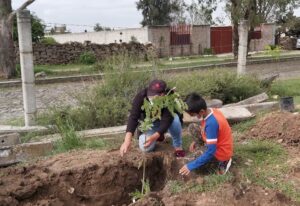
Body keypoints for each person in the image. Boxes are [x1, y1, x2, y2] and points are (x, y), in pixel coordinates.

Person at [120, 79, 185, 157]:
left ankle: (178, 146)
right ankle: (160, 135)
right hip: (151, 123)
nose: (151, 97)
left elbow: (167, 119)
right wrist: (127, 141)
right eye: (150, 95)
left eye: (155, 96)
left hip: (167, 122)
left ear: (162, 95)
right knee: (145, 148)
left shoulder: (169, 97)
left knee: (175, 120)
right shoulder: (141, 96)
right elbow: (133, 117)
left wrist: (155, 136)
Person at [179, 93, 233, 175]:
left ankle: (224, 162)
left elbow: (211, 151)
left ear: (201, 111)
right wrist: (196, 141)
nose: (192, 116)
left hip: (220, 152)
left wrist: (190, 166)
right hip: (216, 141)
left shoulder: (212, 123)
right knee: (192, 127)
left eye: (193, 114)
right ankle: (202, 146)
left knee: (188, 162)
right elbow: (205, 129)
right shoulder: (211, 111)